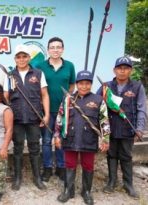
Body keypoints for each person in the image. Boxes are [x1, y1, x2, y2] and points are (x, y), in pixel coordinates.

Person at [54, 70, 110, 205]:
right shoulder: (68, 99)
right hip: (70, 138)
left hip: (89, 139)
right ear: (77, 84)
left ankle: (86, 192)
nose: (84, 86)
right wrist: (57, 135)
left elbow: (104, 120)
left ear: (91, 84)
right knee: (70, 164)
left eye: (87, 83)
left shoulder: (98, 100)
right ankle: (68, 190)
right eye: (81, 83)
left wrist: (106, 138)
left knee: (88, 166)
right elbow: (59, 118)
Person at [97, 56, 147, 199]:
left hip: (128, 128)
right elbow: (96, 103)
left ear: (130, 70)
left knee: (126, 156)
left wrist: (140, 128)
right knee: (111, 155)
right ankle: (112, 181)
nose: (122, 71)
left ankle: (128, 184)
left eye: (126, 68)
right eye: (119, 68)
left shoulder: (137, 87)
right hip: (110, 129)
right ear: (114, 70)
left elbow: (142, 109)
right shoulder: (106, 86)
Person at [4, 44, 49, 190]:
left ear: (29, 58)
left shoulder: (38, 74)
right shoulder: (10, 75)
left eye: (24, 56)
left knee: (35, 148)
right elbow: (5, 97)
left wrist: (47, 114)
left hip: (33, 117)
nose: (22, 59)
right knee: (17, 148)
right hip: (16, 118)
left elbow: (44, 95)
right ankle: (17, 179)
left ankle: (37, 178)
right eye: (18, 57)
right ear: (15, 59)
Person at [35, 37, 76, 181]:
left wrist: (67, 101)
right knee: (46, 140)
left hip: (64, 111)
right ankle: (47, 168)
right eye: (52, 47)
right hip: (46, 110)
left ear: (63, 49)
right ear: (48, 50)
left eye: (58, 47)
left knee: (61, 139)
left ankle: (61, 167)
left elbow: (71, 86)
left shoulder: (69, 66)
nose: (55, 50)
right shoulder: (40, 66)